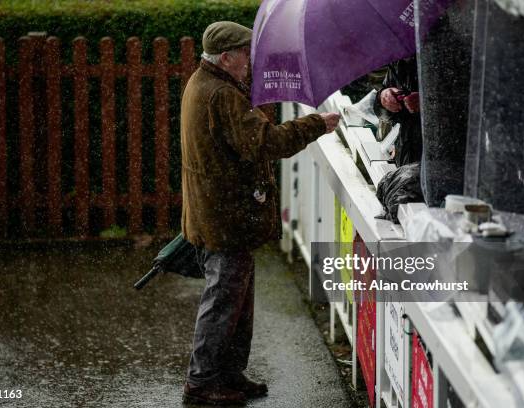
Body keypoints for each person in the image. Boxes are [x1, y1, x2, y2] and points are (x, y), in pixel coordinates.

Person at [180, 21, 340, 405]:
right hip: (226, 217)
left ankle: (229, 375)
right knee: (223, 302)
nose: (251, 62)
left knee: (235, 301)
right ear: (226, 57)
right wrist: (317, 123)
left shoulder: (204, 84)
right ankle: (202, 382)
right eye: (246, 55)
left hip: (220, 213)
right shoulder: (221, 94)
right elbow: (269, 142)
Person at [373, 57, 422, 166]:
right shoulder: (397, 61)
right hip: (405, 155)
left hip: (439, 164)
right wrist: (383, 97)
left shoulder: (443, 57)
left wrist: (427, 102)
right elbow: (388, 116)